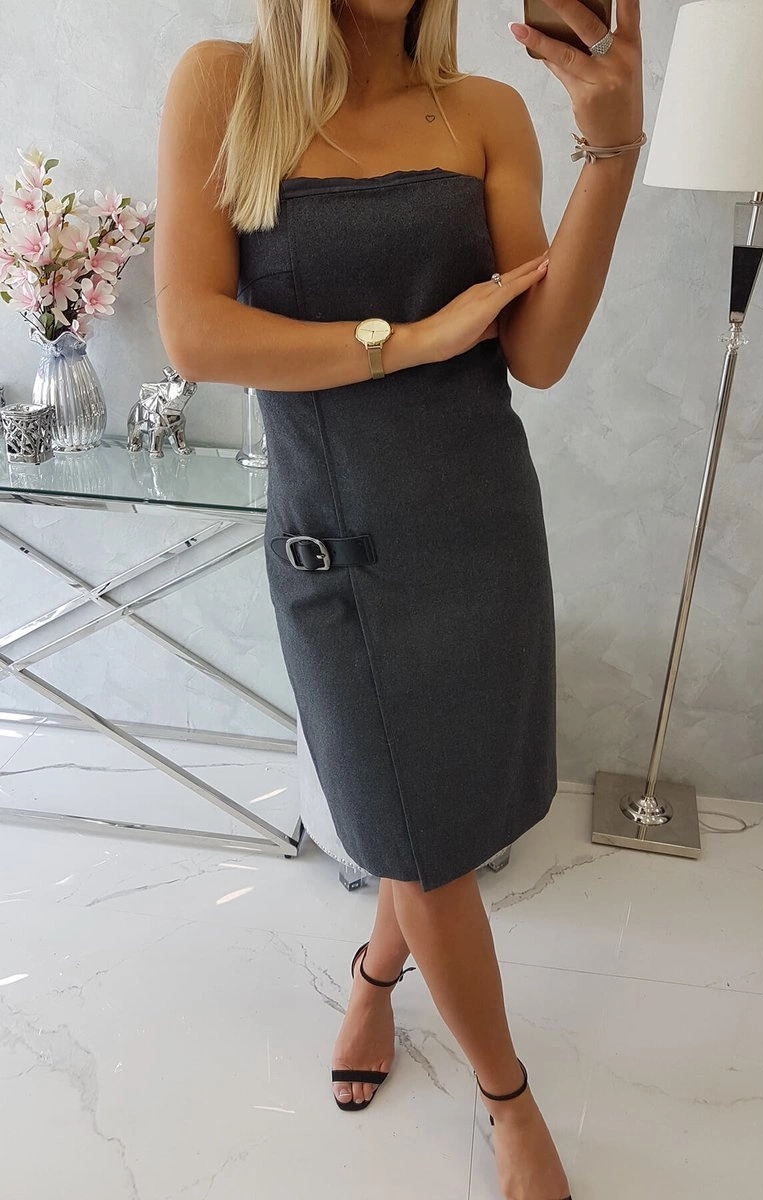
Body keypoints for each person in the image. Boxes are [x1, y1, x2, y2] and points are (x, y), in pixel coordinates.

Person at [155, 1, 643, 1196]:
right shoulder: (223, 85)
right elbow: (196, 333)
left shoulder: (482, 111)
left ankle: (374, 980)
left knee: (435, 824)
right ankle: (507, 1101)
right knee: (414, 837)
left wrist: (611, 145)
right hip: (339, 546)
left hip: (478, 526)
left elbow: (536, 353)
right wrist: (407, 341)